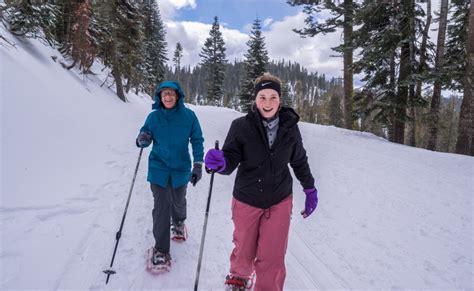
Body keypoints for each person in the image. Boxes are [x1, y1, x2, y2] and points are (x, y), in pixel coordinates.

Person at [204, 72, 318, 290]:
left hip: (279, 199)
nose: (267, 103)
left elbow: (299, 160)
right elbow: (230, 161)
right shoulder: (241, 126)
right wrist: (219, 163)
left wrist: (310, 189)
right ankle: (238, 277)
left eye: (273, 97)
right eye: (262, 97)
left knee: (272, 255)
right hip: (246, 198)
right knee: (244, 247)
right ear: (255, 100)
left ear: (280, 100)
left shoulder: (289, 127)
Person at [136, 80, 204, 267]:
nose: (167, 97)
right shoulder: (153, 117)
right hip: (158, 167)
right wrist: (142, 138)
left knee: (178, 200)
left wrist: (198, 164)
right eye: (164, 93)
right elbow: (144, 135)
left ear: (177, 96)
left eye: (171, 93)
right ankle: (161, 249)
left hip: (181, 167)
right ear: (159, 96)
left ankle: (179, 222)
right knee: (161, 206)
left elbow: (197, 140)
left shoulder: (189, 116)